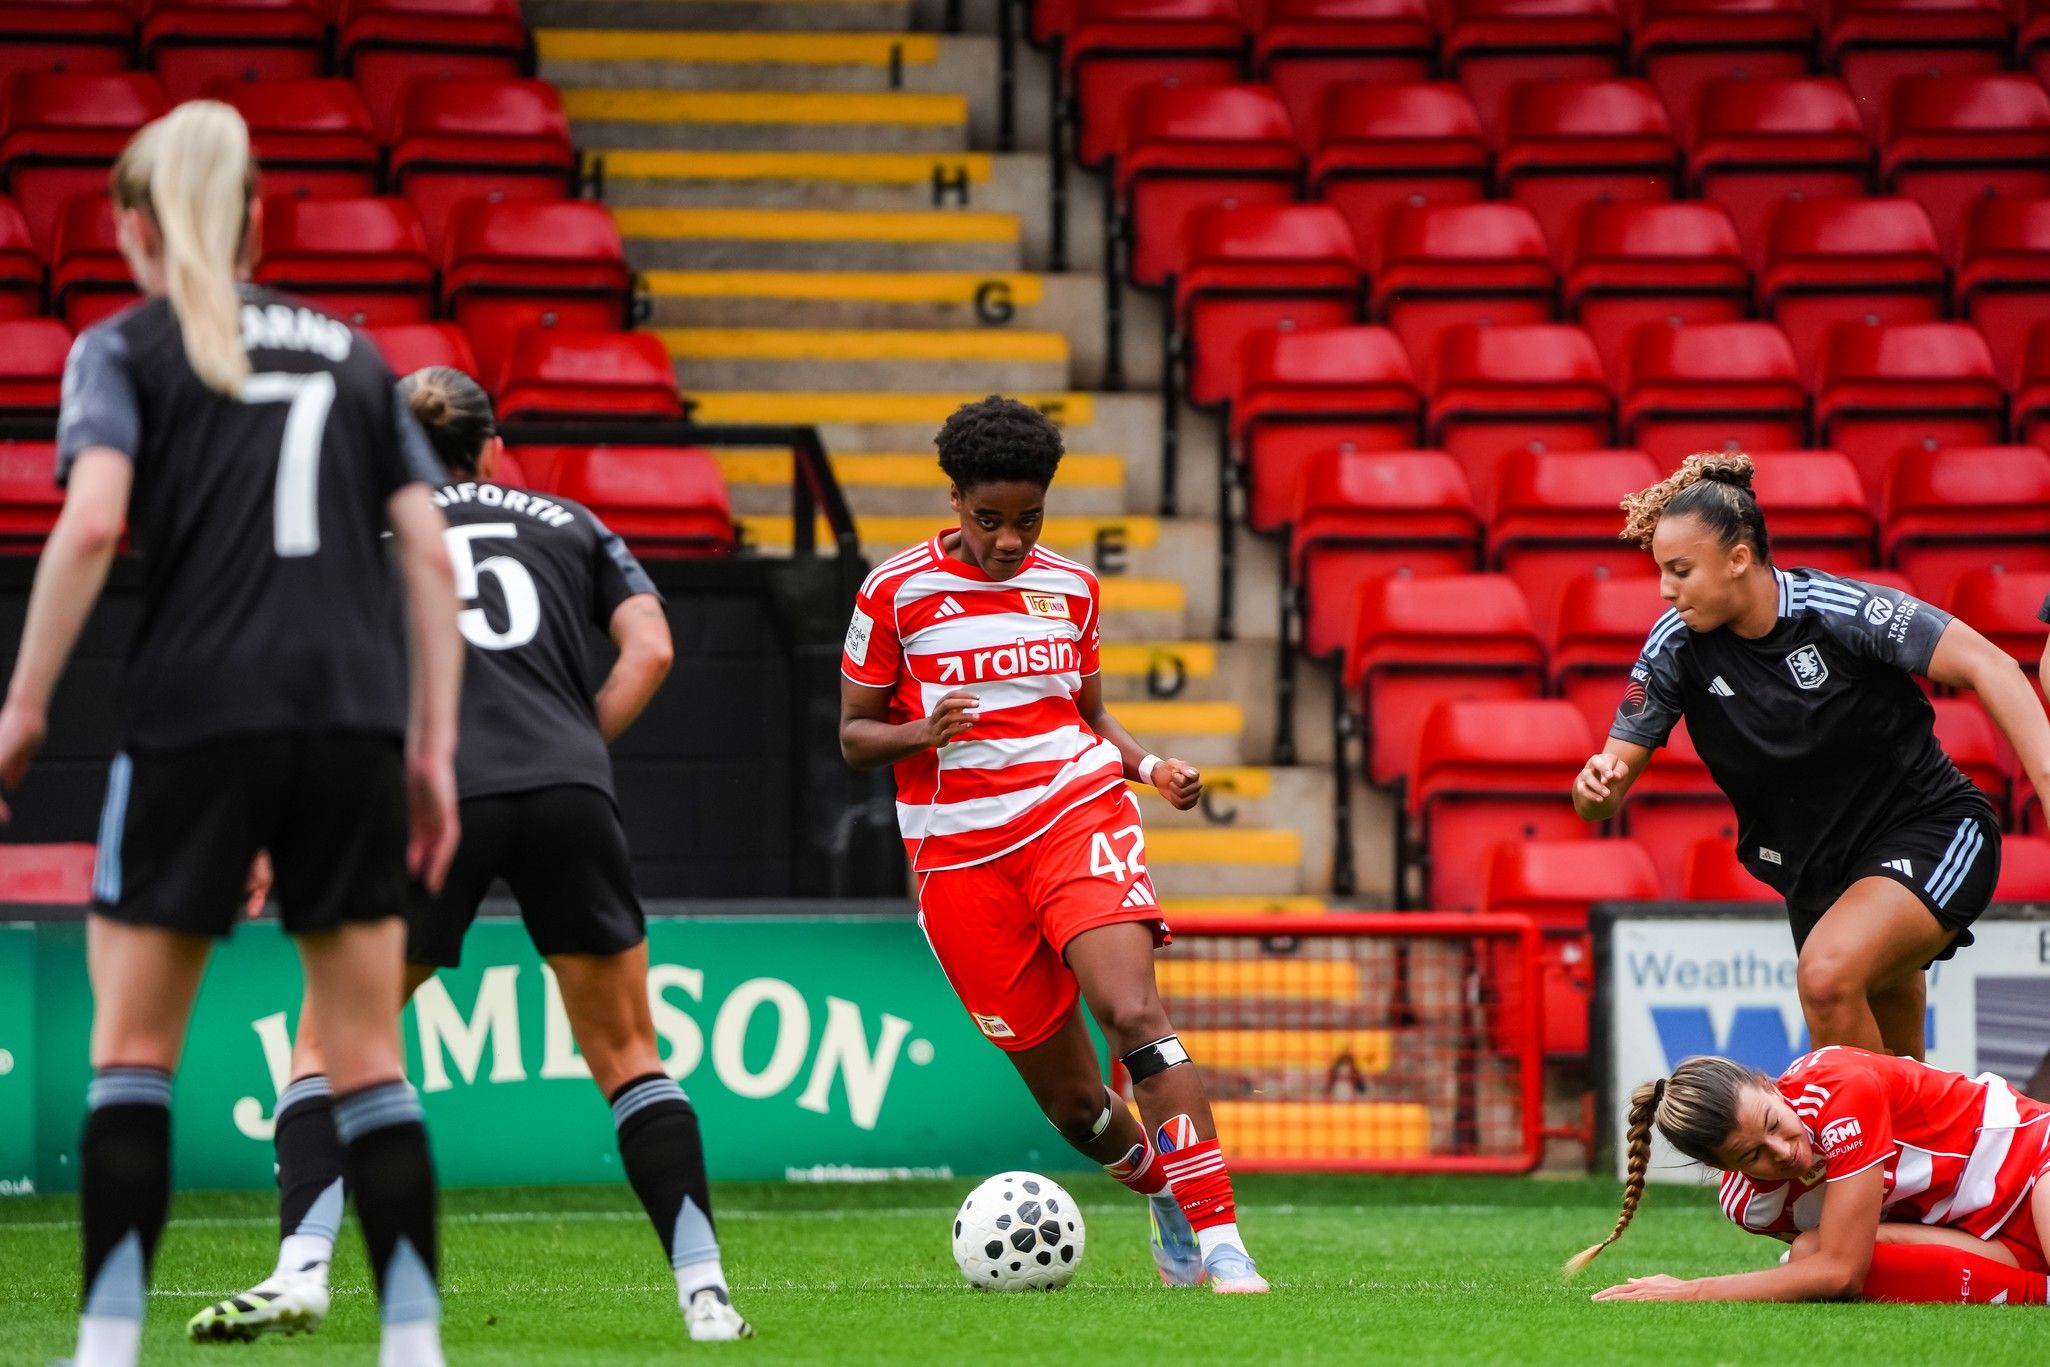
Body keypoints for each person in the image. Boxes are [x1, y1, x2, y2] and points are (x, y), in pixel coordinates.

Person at [0, 104, 464, 1367]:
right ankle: (412, 1341)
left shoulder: (119, 345)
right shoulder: (356, 357)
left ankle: (104, 1342)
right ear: (260, 216)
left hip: (194, 717)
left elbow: (91, 527)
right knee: (367, 1053)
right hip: (353, 720)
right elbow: (426, 547)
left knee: (133, 1053)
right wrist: (428, 740)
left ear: (131, 227)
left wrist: (24, 705)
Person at [186, 368, 753, 1344]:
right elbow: (651, 645)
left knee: (324, 1044)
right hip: (569, 791)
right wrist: (575, 745)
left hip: (431, 795)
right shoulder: (566, 519)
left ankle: (301, 1270)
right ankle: (706, 1294)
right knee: (627, 1053)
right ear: (491, 447)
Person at [838, 395, 1267, 1294]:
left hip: (1076, 813)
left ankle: (1224, 1244)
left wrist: (1150, 768)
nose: (1008, 540)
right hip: (959, 860)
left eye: (1027, 520)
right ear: (955, 500)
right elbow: (852, 735)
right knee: (1075, 1103)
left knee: (1134, 1012)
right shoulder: (894, 591)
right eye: (990, 520)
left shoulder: (1070, 587)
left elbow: (1091, 716)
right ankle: (1164, 1193)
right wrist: (923, 734)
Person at [1571, 452, 2050, 1059]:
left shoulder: (1839, 612)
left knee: (1826, 979)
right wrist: (1596, 789)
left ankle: (1862, 1159)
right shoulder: (1675, 646)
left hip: (1928, 828)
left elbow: (1993, 665)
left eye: (1681, 570)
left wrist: (2047, 780)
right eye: (1662, 572)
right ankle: (1915, 1153)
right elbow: (1604, 788)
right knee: (1898, 1078)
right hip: (1817, 872)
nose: (1666, 590)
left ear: (1739, 559)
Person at [1567, 1046, 2050, 1305]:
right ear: (1723, 1169)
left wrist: (1693, 1289)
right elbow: (1831, 1263)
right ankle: (2038, 1292)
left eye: (1775, 1124)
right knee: (1807, 1253)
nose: (1785, 1153)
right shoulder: (1751, 1207)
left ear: (1768, 1084)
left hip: (2036, 1166)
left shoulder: (1840, 1087)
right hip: (1989, 1238)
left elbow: (1842, 1276)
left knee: (1824, 1265)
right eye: (1753, 1154)